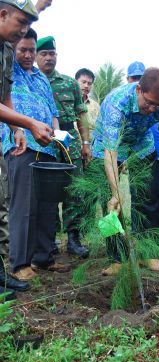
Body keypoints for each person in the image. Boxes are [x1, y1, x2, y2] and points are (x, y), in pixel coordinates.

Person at [92, 67, 159, 276]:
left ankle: (147, 252)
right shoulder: (116, 103)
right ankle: (117, 257)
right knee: (110, 204)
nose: (153, 109)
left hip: (141, 144)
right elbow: (111, 152)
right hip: (107, 146)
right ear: (138, 89)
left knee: (148, 196)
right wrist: (116, 192)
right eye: (149, 103)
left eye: (158, 105)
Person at [3, 28, 69, 282]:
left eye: (32, 50)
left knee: (47, 204)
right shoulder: (9, 71)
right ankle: (20, 263)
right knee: (24, 205)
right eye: (24, 50)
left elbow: (53, 112)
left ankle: (44, 257)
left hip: (48, 146)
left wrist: (58, 136)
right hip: (21, 144)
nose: (29, 55)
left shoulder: (41, 78)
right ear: (14, 48)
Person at [0, 0, 53, 300]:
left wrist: (17, 128)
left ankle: (4, 276)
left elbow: (3, 93)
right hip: (21, 146)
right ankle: (17, 263)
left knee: (14, 209)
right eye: (21, 23)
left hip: (32, 141)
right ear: (3, 13)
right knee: (18, 206)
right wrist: (26, 124)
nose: (23, 31)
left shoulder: (6, 51)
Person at [36, 36, 90, 258]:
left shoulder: (69, 83)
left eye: (52, 53)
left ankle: (73, 238)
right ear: (37, 56)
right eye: (44, 54)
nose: (49, 58)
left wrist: (86, 143)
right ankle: (49, 240)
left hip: (69, 140)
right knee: (46, 192)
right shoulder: (32, 82)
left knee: (74, 190)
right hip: (41, 140)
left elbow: (81, 114)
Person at [127, 61, 159, 233]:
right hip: (109, 150)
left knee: (152, 194)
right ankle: (115, 248)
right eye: (134, 78)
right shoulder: (119, 103)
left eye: (140, 77)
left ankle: (147, 237)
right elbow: (109, 148)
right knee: (109, 199)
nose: (152, 108)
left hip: (149, 152)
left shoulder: (156, 102)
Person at [75, 68, 100, 137]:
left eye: (89, 83)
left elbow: (100, 127)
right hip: (72, 145)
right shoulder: (68, 103)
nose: (86, 86)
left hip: (91, 145)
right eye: (83, 82)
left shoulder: (96, 106)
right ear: (75, 82)